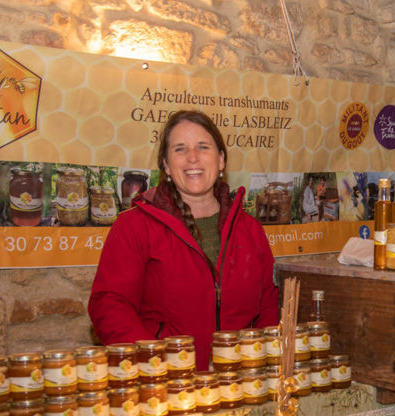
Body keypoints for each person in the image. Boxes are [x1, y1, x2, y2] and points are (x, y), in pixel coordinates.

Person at [88, 110, 279, 370]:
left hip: (239, 385)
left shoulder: (251, 230)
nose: (192, 157)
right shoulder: (133, 226)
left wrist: (260, 361)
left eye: (203, 147)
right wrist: (154, 365)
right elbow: (110, 306)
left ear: (221, 160)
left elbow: (267, 306)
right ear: (166, 165)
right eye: (180, 149)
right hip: (166, 387)